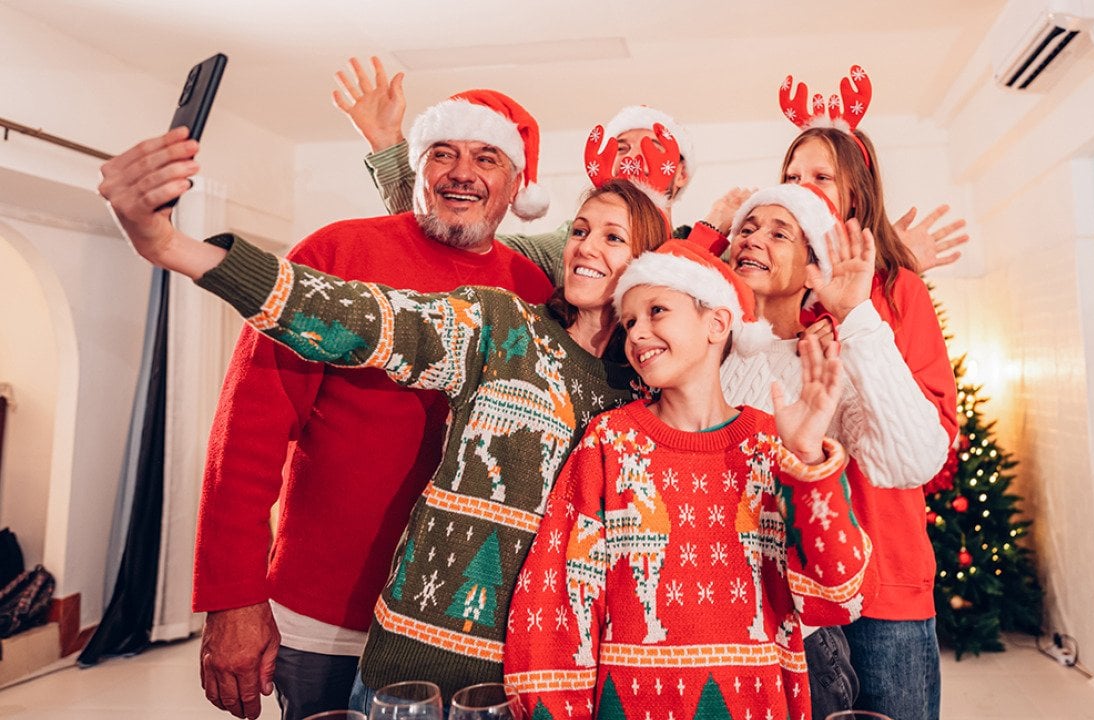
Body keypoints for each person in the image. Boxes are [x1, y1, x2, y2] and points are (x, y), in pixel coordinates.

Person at [97, 127, 671, 708]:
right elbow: (359, 318)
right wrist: (173, 248)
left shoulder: (638, 391)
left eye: (613, 237)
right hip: (423, 650)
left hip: (546, 659)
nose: (585, 247)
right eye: (578, 231)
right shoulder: (505, 326)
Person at [189, 89, 554, 720]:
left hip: (466, 628)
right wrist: (233, 597)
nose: (462, 172)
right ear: (417, 170)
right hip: (327, 617)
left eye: (487, 157)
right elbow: (244, 436)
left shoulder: (534, 291)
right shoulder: (336, 254)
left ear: (517, 182)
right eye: (444, 153)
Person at [504, 239, 872, 720]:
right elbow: (554, 600)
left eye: (657, 311)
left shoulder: (772, 445)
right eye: (630, 321)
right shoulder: (609, 442)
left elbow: (840, 598)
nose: (638, 334)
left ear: (717, 324)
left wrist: (804, 458)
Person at [718, 183, 954, 719]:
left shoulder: (829, 357)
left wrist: (857, 318)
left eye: (781, 233)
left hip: (812, 627)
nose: (755, 239)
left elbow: (915, 458)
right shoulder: (712, 350)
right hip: (728, 619)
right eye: (748, 229)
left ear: (813, 265)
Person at [775, 64, 960, 720]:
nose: (803, 189)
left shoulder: (898, 290)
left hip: (888, 585)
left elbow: (932, 438)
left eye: (821, 176)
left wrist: (869, 298)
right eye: (792, 178)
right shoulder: (772, 297)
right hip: (794, 589)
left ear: (856, 194)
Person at [331, 56, 744, 281]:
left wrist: (712, 232)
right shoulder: (567, 248)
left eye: (655, 148)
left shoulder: (714, 248)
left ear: (682, 172)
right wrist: (388, 145)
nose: (635, 158)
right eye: (621, 147)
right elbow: (457, 244)